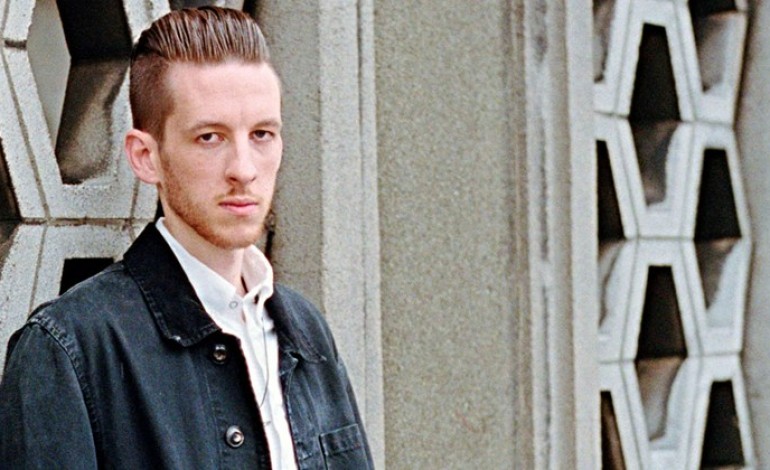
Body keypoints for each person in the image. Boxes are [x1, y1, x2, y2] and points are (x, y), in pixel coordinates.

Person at [0, 7, 372, 469]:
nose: (244, 169)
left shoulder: (305, 330)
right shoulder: (68, 349)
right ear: (146, 156)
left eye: (262, 134)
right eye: (210, 137)